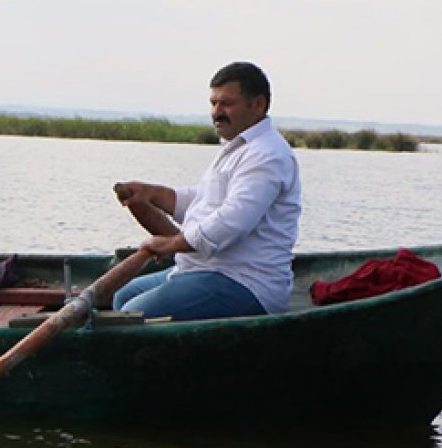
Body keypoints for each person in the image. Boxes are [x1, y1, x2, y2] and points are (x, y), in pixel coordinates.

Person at [112, 61, 302, 321]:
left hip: (245, 281)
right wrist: (151, 193)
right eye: (213, 103)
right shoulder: (237, 146)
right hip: (205, 270)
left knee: (131, 313)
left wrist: (170, 244)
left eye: (226, 103)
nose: (217, 112)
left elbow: (230, 223)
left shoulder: (267, 155)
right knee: (121, 297)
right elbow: (202, 200)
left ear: (257, 104)